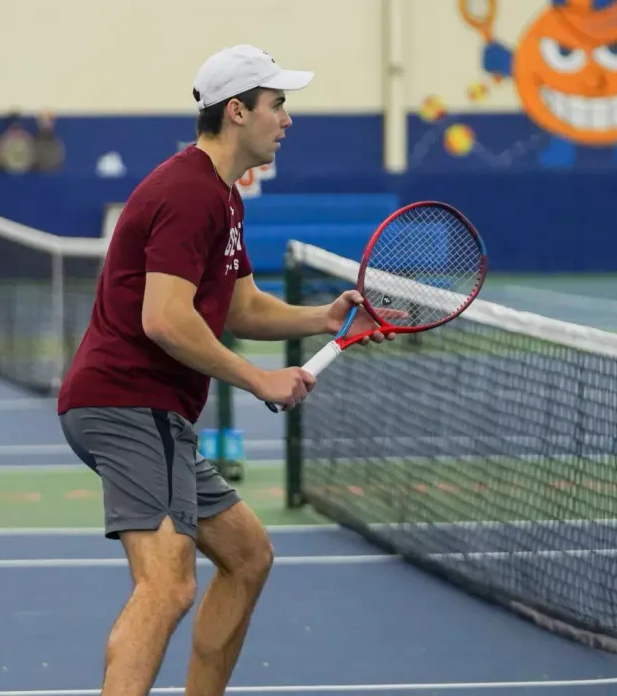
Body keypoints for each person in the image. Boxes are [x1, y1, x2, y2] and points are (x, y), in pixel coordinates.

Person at [57, 44, 389, 696]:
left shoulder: (223, 196)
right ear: (237, 111)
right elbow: (165, 318)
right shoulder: (189, 194)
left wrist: (323, 318)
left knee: (248, 557)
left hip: (154, 410)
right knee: (167, 584)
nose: (287, 119)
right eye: (278, 105)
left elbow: (242, 307)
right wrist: (260, 378)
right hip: (127, 403)